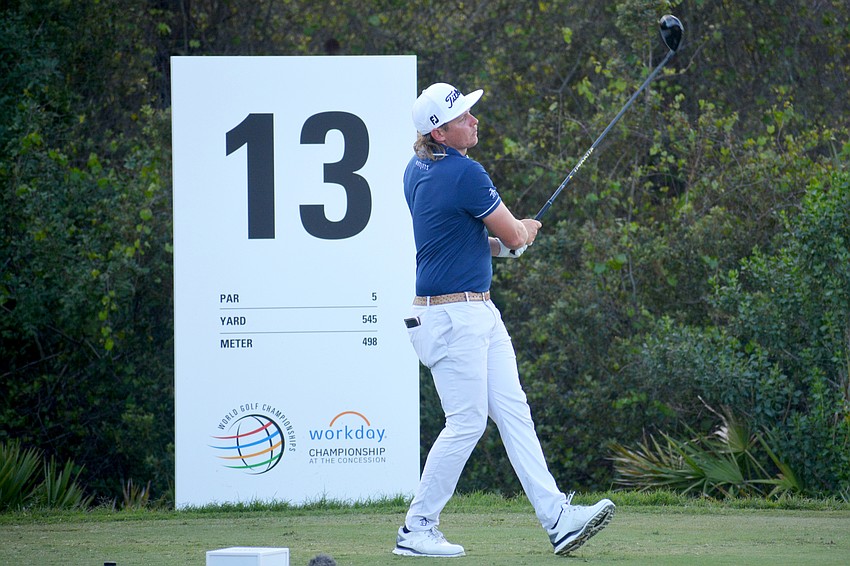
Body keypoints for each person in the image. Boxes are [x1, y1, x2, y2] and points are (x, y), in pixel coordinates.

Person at [392, 83, 616, 558]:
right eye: (464, 117)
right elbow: (513, 232)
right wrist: (524, 233)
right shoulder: (465, 174)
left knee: (514, 413)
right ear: (440, 131)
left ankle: (557, 518)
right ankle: (417, 527)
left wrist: (505, 243)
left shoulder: (416, 170)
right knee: (467, 422)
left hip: (473, 311)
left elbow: (465, 240)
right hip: (454, 317)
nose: (474, 121)